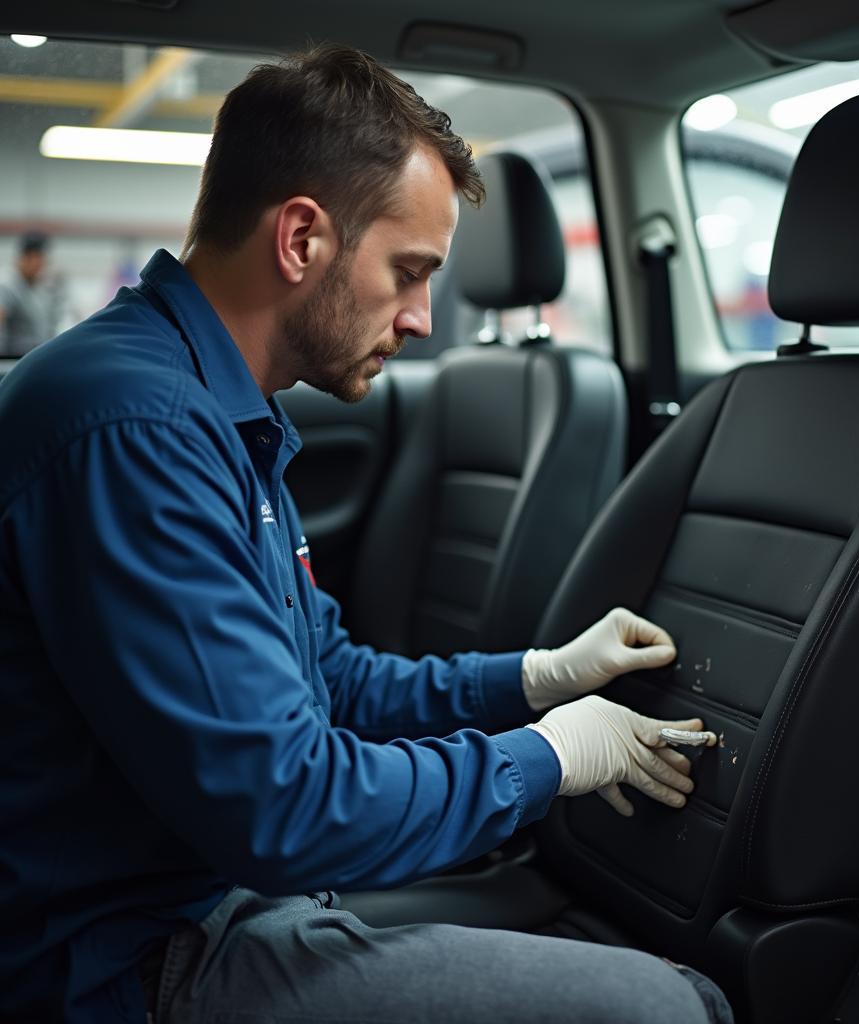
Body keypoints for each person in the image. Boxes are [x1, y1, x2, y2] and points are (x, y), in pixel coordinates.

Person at [0, 46, 732, 1024]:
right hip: (125, 961)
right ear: (302, 238)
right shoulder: (140, 432)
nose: (426, 318)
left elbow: (326, 681)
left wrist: (531, 679)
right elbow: (287, 807)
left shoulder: (206, 407)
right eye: (410, 272)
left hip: (196, 888)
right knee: (674, 1007)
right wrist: (546, 759)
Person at [0, 231, 55, 357]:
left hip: (34, 357)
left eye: (42, 259)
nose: (40, 265)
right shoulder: (6, 285)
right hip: (11, 361)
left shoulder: (39, 288)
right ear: (24, 258)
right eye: (35, 258)